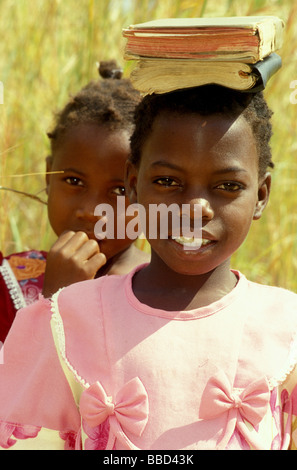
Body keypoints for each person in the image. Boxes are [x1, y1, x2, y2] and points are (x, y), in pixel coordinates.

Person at [1, 84, 297, 451]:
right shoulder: (66, 317)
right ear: (135, 186)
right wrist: (54, 305)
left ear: (262, 196)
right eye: (168, 181)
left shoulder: (287, 328)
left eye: (227, 185)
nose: (195, 208)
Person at [0, 60, 149, 343]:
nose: (91, 212)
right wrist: (56, 301)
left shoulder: (167, 290)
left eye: (119, 191)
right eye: (73, 182)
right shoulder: (9, 284)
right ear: (47, 177)